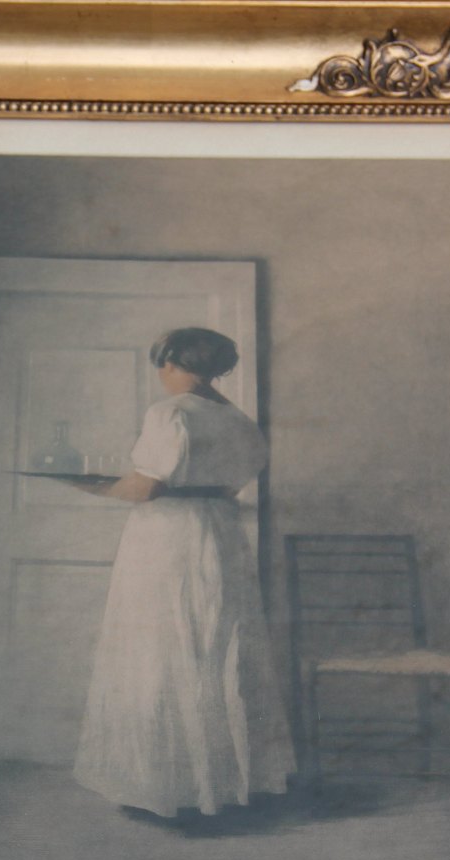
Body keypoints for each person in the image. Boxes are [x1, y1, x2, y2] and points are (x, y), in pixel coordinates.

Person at [69, 327, 296, 818]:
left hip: (166, 537)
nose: (161, 374)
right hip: (219, 534)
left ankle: (167, 787)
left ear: (176, 365)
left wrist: (88, 486)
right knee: (216, 643)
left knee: (163, 643)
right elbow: (231, 486)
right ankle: (221, 785)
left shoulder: (169, 413)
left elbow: (146, 489)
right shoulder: (240, 422)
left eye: (164, 365)